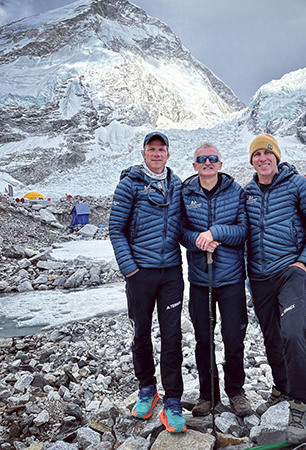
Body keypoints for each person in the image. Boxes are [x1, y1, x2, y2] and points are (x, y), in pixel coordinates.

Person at [245, 134, 306, 443]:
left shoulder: (299, 185)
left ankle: (299, 404)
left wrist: (303, 264)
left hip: (290, 272)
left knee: (293, 333)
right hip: (258, 277)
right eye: (257, 154)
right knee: (271, 337)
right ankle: (280, 387)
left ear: (276, 157)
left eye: (268, 153)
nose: (263, 158)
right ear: (252, 160)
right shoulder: (247, 192)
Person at [109, 131, 186, 433]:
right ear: (143, 153)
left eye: (162, 149)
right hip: (140, 273)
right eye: (151, 149)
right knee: (141, 332)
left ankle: (174, 400)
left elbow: (183, 226)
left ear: (168, 154)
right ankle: (146, 389)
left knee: (172, 336)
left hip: (171, 274)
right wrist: (131, 270)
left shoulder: (177, 184)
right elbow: (116, 229)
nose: (156, 154)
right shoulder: (129, 184)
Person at [181, 143, 252, 418]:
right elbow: (181, 231)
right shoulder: (186, 193)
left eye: (213, 159)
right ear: (195, 165)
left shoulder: (236, 191)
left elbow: (243, 231)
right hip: (201, 280)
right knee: (203, 339)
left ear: (220, 164)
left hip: (231, 279)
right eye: (202, 159)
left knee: (234, 338)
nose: (208, 163)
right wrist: (198, 241)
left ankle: (235, 391)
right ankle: (207, 395)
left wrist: (214, 232)